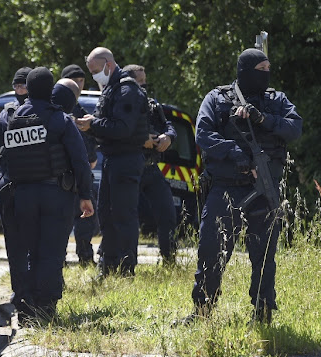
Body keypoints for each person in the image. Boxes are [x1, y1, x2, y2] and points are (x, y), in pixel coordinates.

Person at [0, 67, 94, 320]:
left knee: (23, 251)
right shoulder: (61, 121)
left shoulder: (10, 118)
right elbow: (80, 161)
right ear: (51, 89)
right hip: (57, 196)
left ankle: (25, 307)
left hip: (21, 197)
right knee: (50, 252)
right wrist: (85, 196)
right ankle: (46, 308)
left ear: (27, 88)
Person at [179, 48, 302, 325]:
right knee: (211, 249)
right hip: (226, 187)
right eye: (261, 69)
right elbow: (204, 134)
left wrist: (263, 119)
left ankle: (262, 314)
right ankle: (203, 312)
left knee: (264, 256)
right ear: (245, 70)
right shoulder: (217, 98)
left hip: (264, 190)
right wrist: (237, 156)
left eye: (268, 68)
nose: (266, 74)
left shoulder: (276, 100)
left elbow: (294, 128)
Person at [76, 47, 150, 277]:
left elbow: (123, 128)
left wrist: (93, 125)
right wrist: (92, 123)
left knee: (123, 215)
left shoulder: (127, 90)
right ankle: (108, 265)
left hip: (126, 159)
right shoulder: (112, 89)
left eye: (96, 71)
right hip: (112, 159)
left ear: (108, 64)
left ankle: (127, 269)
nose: (95, 76)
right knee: (107, 214)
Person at [123, 64, 178, 264]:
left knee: (167, 213)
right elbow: (116, 134)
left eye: (145, 82)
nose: (143, 87)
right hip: (130, 167)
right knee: (126, 219)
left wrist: (168, 137)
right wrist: (142, 139)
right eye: (140, 82)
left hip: (151, 168)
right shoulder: (122, 104)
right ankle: (125, 263)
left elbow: (169, 126)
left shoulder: (151, 105)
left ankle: (169, 259)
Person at [0, 67, 32, 309]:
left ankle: (37, 297)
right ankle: (21, 295)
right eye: (16, 86)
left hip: (34, 190)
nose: (19, 91)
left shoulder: (49, 112)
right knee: (16, 248)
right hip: (13, 191)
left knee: (36, 248)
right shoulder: (8, 113)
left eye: (24, 85)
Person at [61, 64, 100, 265]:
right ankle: (60, 259)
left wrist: (91, 157)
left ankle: (85, 257)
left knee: (86, 220)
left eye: (82, 80)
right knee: (61, 222)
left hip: (82, 173)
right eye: (74, 80)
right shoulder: (60, 109)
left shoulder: (82, 111)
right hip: (63, 175)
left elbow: (90, 139)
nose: (79, 84)